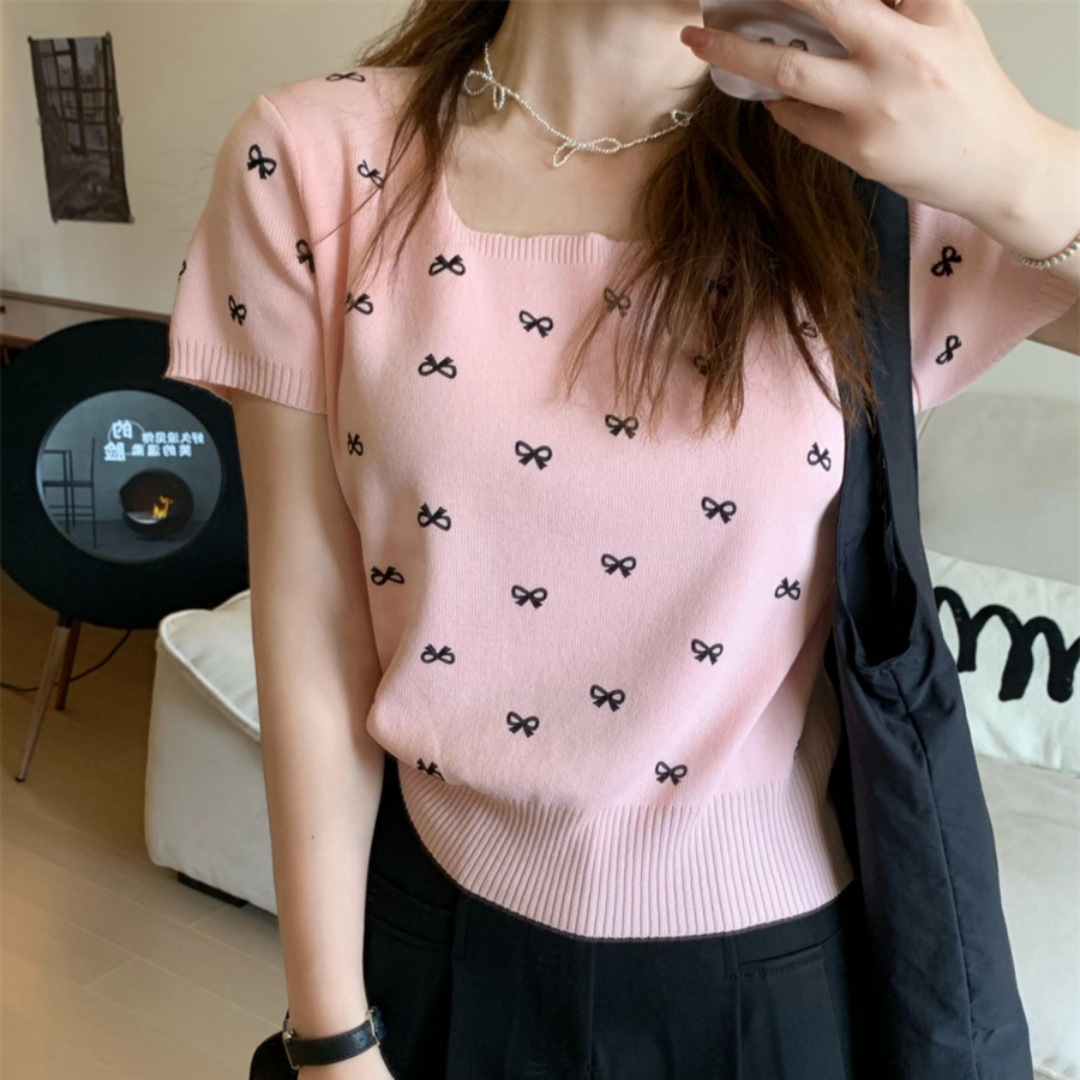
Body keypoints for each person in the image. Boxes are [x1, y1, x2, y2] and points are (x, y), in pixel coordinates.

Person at [164, 0, 1080, 1077]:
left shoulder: (870, 169)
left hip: (777, 983)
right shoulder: (315, 160)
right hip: (436, 940)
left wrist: (1017, 157)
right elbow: (313, 613)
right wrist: (331, 1036)